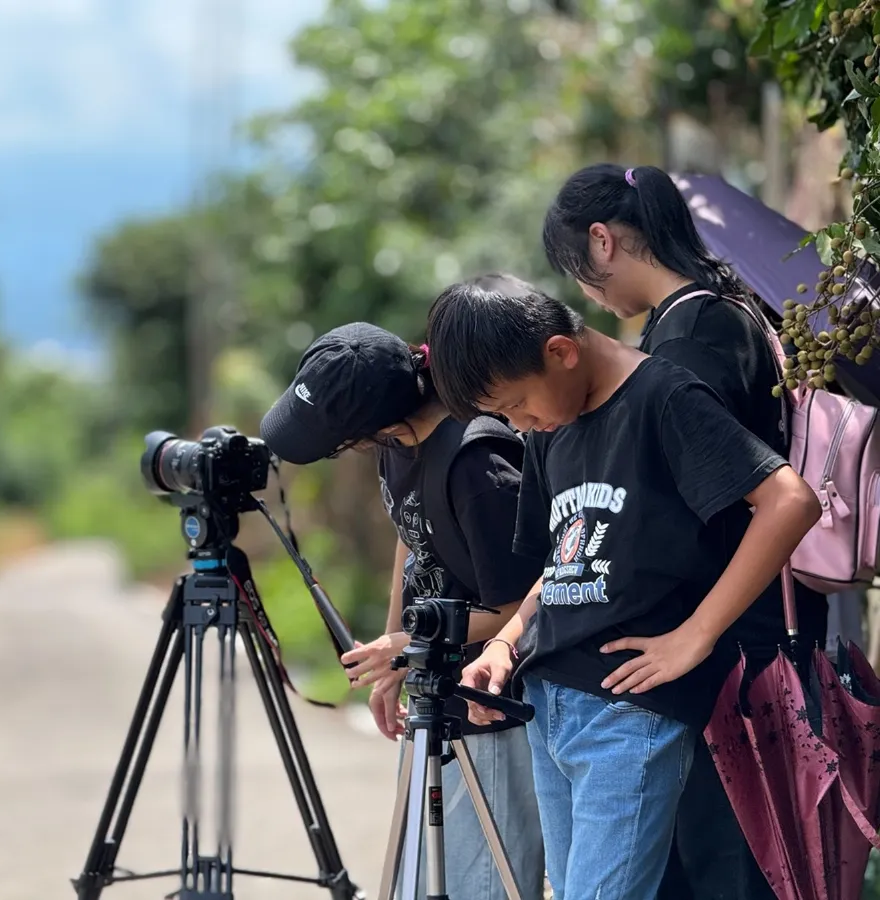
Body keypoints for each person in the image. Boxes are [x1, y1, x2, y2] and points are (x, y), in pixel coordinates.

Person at [424, 278, 821, 900]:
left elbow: (790, 501)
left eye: (518, 405)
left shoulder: (664, 396)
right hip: (547, 702)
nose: (518, 424)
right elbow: (563, 560)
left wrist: (696, 634)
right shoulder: (551, 426)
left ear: (561, 351)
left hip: (624, 711)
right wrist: (503, 643)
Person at [542, 162, 829, 900]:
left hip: (731, 645)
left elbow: (759, 500)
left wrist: (695, 634)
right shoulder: (718, 310)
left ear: (601, 242)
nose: (586, 294)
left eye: (576, 270)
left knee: (730, 863)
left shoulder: (695, 331)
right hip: (735, 632)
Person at [259, 319, 545, 900]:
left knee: (481, 884)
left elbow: (524, 604)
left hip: (487, 706)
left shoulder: (477, 463)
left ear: (380, 423)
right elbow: (410, 539)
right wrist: (397, 653)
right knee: (418, 879)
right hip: (432, 691)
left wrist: (407, 650)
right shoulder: (399, 441)